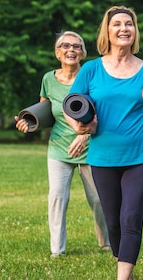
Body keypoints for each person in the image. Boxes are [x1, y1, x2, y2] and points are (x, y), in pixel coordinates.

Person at [64, 6, 143, 280]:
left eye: (129, 24)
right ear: (107, 31)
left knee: (131, 217)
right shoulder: (91, 69)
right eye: (117, 24)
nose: (123, 29)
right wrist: (80, 127)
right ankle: (127, 273)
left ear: (135, 31)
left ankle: (121, 277)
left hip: (140, 154)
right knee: (113, 223)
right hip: (102, 156)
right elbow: (70, 106)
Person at [14, 31, 110, 258]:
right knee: (57, 197)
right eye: (66, 46)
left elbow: (104, 111)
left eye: (77, 46)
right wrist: (29, 123)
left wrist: (84, 135)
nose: (71, 50)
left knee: (98, 199)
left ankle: (106, 243)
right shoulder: (48, 79)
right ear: (58, 52)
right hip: (59, 147)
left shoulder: (91, 76)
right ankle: (57, 250)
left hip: (90, 147)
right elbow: (45, 111)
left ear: (83, 53)